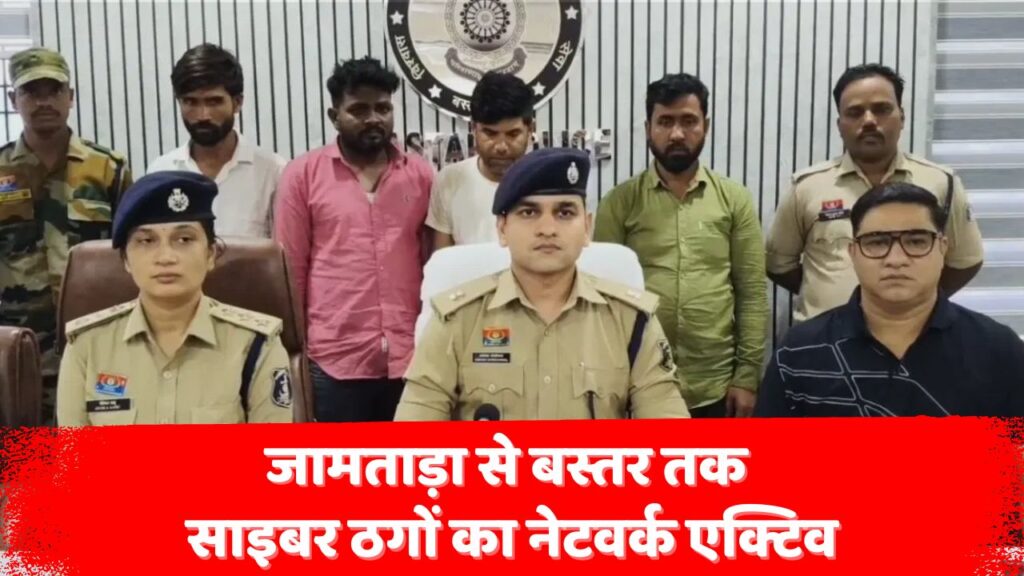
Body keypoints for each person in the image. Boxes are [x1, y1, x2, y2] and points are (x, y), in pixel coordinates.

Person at [395, 148, 691, 421]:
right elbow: (413, 435)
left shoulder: (631, 321)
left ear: (587, 228)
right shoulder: (456, 320)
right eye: (529, 212)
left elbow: (669, 430)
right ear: (502, 228)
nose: (548, 229)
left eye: (565, 213)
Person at [757, 182, 1024, 417]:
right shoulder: (799, 351)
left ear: (943, 249)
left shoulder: (998, 350)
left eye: (916, 242)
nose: (896, 260)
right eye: (877, 242)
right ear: (853, 253)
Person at [56, 171, 294, 425]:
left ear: (210, 254)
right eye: (146, 241)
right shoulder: (87, 346)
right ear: (125, 259)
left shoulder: (255, 345)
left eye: (184, 239)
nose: (166, 257)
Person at [594, 74, 767, 418]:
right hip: (638, 383)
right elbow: (601, 298)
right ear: (648, 128)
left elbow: (751, 293)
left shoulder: (734, 200)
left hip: (715, 385)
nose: (676, 134)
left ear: (706, 126)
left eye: (688, 121)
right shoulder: (619, 202)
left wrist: (747, 377)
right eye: (665, 122)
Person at [274, 57, 433, 423]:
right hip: (334, 359)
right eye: (359, 110)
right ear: (334, 116)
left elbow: (431, 262)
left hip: (411, 355)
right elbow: (290, 271)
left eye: (383, 108)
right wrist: (293, 352)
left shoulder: (420, 175)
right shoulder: (303, 175)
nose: (373, 118)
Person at [766, 64, 984, 322]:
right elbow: (779, 264)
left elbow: (965, 260)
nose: (869, 121)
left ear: (902, 117)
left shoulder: (940, 182)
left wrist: (916, 301)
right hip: (827, 338)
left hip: (915, 336)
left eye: (881, 109)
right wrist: (825, 295)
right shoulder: (807, 187)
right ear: (840, 125)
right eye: (855, 112)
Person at [1, 47, 133, 424]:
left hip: (97, 340)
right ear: (13, 99)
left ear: (70, 97)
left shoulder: (107, 168)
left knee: (97, 448)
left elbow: (132, 253)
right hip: (19, 349)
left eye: (54, 90)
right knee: (25, 454)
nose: (44, 101)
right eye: (32, 91)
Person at [146, 43, 286, 238]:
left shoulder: (274, 172)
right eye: (190, 102)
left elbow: (284, 250)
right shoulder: (160, 172)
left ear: (237, 103)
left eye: (214, 102)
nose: (203, 115)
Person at [426, 72, 535, 251]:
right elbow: (443, 259)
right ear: (473, 128)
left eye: (513, 134)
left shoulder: (550, 183)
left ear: (530, 130)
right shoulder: (449, 180)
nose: (501, 146)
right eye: (490, 133)